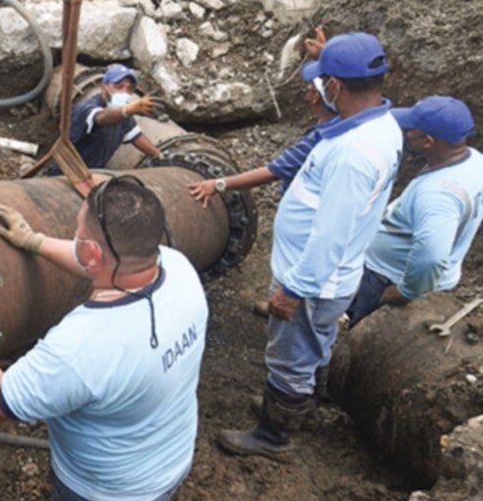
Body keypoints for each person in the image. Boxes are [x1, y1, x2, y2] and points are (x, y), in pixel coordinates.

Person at [0, 177, 208, 501]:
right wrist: (36, 242)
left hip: (107, 494)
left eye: (78, 232)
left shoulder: (83, 346)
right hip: (172, 455)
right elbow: (99, 262)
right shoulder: (176, 268)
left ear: (93, 251)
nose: (75, 237)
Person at [217, 32, 402, 458]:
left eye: (324, 80)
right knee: (314, 348)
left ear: (334, 87)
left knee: (289, 359)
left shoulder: (354, 153)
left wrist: (294, 289)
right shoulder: (380, 121)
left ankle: (273, 435)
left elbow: (330, 233)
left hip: (316, 281)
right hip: (331, 279)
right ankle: (302, 406)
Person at [344, 96, 481, 327]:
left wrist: (404, 292)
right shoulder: (475, 161)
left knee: (350, 332)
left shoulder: (438, 195)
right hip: (421, 277)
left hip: (385, 278)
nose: (405, 134)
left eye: (410, 131)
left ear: (428, 141)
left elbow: (431, 256)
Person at [188, 27, 335, 206]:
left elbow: (270, 172)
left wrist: (217, 184)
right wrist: (325, 55)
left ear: (313, 98)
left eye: (311, 87)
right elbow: (348, 87)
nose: (307, 89)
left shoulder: (314, 142)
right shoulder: (350, 119)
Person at [59, 64, 162, 172]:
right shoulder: (86, 108)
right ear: (104, 88)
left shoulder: (122, 115)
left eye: (129, 89)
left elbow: (136, 136)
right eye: (118, 87)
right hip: (67, 172)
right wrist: (130, 109)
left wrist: (159, 155)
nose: (124, 92)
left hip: (93, 173)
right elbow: (101, 117)